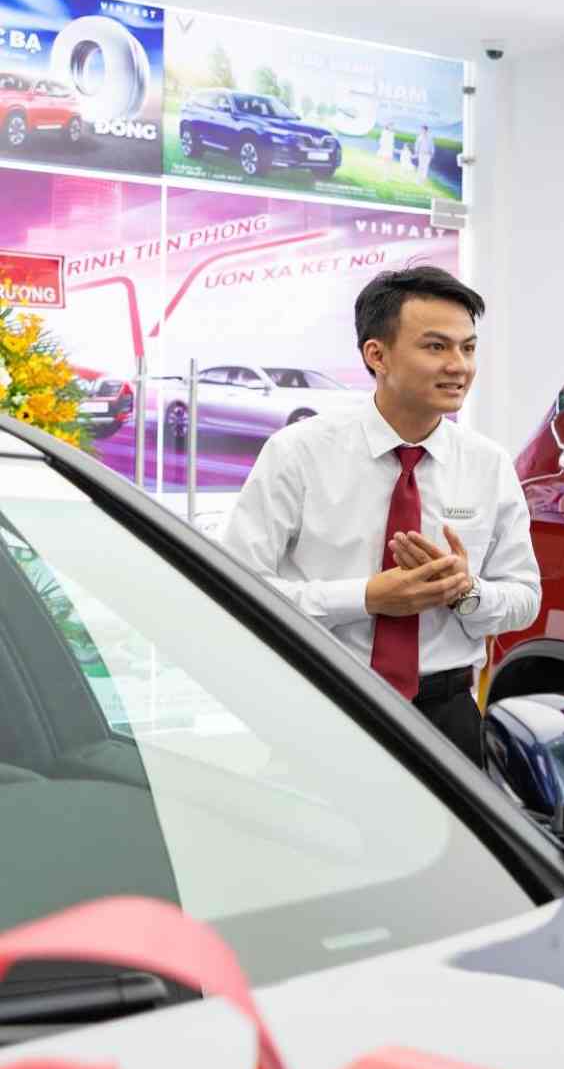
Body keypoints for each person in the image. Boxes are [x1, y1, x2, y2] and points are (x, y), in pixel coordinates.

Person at [222, 266, 540, 760]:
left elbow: (524, 597)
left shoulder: (487, 463)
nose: (459, 365)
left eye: (468, 348)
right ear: (377, 354)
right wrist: (367, 598)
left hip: (448, 715)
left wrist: (466, 592)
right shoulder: (299, 453)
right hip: (325, 701)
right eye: (436, 347)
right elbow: (239, 589)